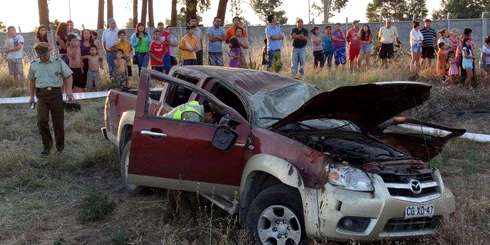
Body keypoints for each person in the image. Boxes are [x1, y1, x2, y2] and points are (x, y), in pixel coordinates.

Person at [28, 42, 74, 155]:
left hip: (56, 94)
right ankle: (47, 146)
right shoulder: (34, 64)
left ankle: (60, 148)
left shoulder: (58, 62)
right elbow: (31, 80)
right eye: (40, 54)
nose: (42, 57)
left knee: (58, 122)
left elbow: (68, 76)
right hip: (41, 96)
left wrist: (69, 91)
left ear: (49, 52)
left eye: (44, 54)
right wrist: (31, 96)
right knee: (41, 120)